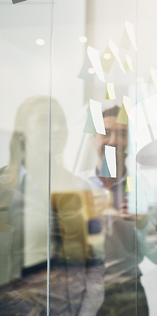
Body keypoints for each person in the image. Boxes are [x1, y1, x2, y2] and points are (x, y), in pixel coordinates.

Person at [0, 96, 104, 315]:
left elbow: (94, 264)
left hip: (68, 307)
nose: (56, 129)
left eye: (61, 121)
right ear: (21, 131)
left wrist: (86, 311)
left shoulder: (80, 187)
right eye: (44, 121)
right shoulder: (3, 189)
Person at [80, 105, 157, 316]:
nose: (113, 141)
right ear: (93, 140)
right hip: (82, 293)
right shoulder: (77, 187)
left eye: (122, 134)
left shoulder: (145, 190)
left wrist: (145, 225)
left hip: (129, 296)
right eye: (105, 133)